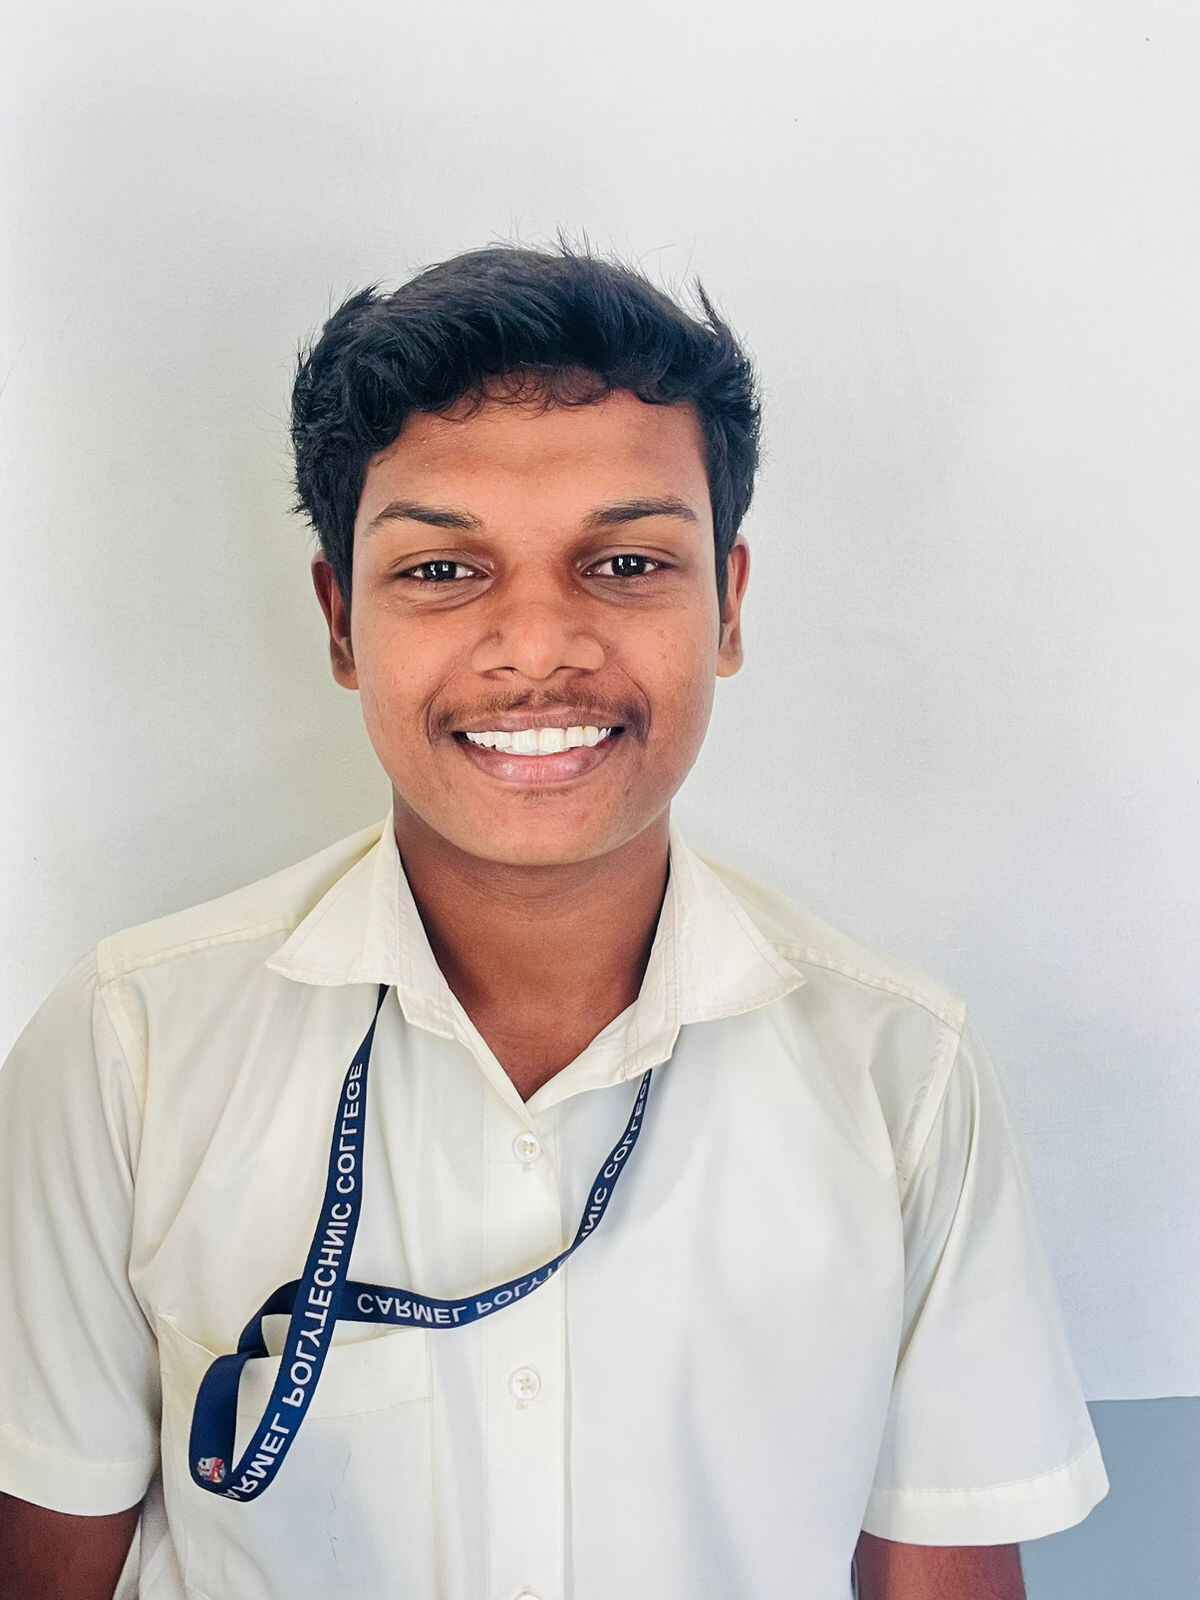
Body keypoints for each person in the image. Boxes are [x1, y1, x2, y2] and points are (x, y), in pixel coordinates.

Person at [0, 233, 1107, 1600]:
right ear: (340, 623)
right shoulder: (128, 1049)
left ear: (728, 607)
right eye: (442, 571)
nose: (537, 648)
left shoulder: (903, 1077)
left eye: (627, 563)